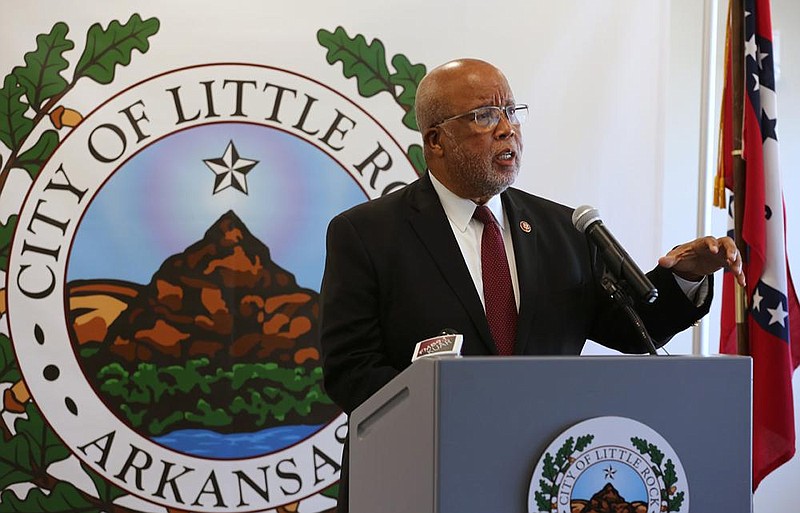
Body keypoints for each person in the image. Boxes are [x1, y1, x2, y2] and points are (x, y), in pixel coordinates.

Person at [318, 58, 744, 512]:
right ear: (435, 141)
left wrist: (686, 274)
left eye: (511, 112)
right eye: (484, 116)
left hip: (538, 479)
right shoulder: (367, 234)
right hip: (417, 479)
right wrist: (459, 414)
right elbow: (351, 371)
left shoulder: (564, 228)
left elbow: (634, 329)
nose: (507, 129)